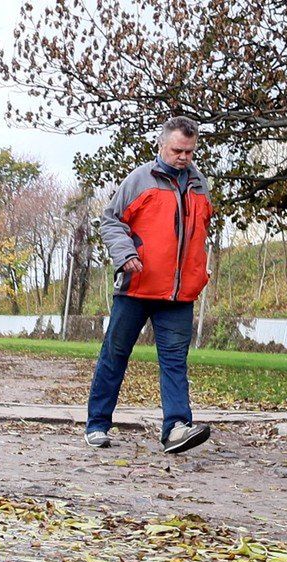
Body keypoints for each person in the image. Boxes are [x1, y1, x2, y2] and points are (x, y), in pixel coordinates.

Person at [85, 116, 215, 454]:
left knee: (175, 362)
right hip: (137, 288)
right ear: (161, 145)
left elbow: (198, 234)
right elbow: (111, 220)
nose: (184, 157)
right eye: (177, 150)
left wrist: (201, 270)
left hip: (179, 294)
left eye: (189, 151)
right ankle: (97, 425)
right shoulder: (139, 180)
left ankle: (176, 428)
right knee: (115, 355)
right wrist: (125, 254)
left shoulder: (199, 184)